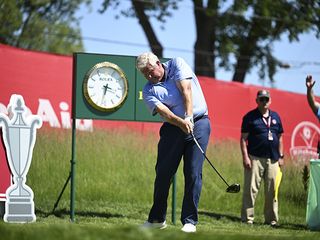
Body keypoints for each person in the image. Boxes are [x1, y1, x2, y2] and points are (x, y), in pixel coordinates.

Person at [136, 52, 211, 233]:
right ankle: (156, 220)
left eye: (149, 71)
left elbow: (186, 89)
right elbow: (164, 113)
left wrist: (189, 118)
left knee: (193, 173)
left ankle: (189, 221)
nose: (148, 76)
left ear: (158, 63)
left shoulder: (177, 63)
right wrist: (181, 122)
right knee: (163, 173)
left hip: (199, 122)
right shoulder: (148, 90)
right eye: (144, 74)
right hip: (172, 127)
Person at [240, 89, 284, 227]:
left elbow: (281, 137)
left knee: (272, 191)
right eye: (261, 99)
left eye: (266, 99)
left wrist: (281, 156)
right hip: (255, 158)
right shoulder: (250, 117)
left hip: (273, 159)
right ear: (257, 101)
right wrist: (245, 157)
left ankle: (271, 220)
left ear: (270, 101)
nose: (264, 101)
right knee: (251, 190)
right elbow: (243, 139)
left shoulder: (276, 117)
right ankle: (248, 219)